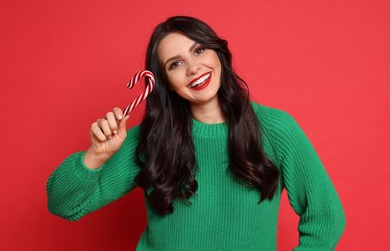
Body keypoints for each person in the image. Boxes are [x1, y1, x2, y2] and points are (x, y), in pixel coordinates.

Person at [46, 15, 346, 250]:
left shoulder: (276, 129)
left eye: (199, 50)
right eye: (176, 64)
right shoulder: (150, 140)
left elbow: (327, 217)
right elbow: (63, 205)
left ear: (219, 54)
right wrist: (96, 155)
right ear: (165, 82)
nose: (193, 68)